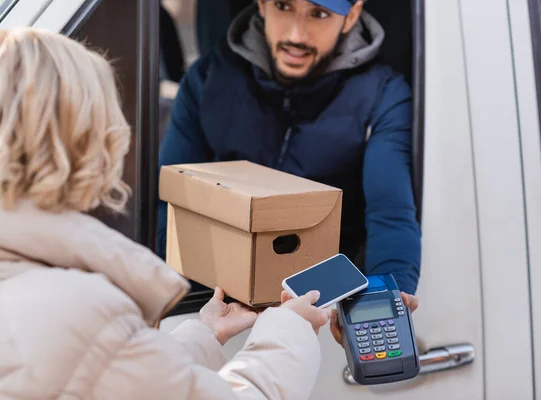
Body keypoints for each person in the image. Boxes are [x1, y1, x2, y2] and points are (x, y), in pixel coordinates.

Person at [0, 28, 332, 399]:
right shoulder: (82, 313)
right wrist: (288, 329)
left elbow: (111, 374)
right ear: (87, 140)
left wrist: (203, 335)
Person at [157, 0, 421, 312]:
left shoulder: (382, 95)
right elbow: (169, 204)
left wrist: (381, 304)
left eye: (319, 14)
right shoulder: (208, 79)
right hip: (216, 304)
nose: (297, 35)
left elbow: (389, 214)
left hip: (319, 304)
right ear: (262, 4)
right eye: (283, 5)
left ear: (351, 15)